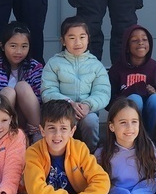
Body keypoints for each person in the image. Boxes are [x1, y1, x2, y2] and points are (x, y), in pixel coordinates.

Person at [40, 16, 111, 151]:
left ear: (88, 38)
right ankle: (61, 154)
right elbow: (47, 91)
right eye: (72, 38)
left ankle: (90, 153)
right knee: (58, 125)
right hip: (61, 111)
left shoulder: (96, 65)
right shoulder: (54, 63)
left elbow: (103, 92)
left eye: (82, 37)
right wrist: (68, 103)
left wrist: (88, 105)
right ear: (63, 41)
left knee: (91, 122)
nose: (78, 42)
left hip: (86, 112)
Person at [0, 21, 43, 139]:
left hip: (27, 119)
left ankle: (38, 135)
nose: (18, 51)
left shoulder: (35, 67)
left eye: (24, 46)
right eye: (13, 46)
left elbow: (40, 96)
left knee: (22, 86)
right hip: (1, 120)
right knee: (8, 92)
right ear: (2, 46)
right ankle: (3, 138)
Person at [108, 23, 156, 135]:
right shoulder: (116, 70)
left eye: (145, 39)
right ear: (126, 47)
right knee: (135, 99)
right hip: (128, 122)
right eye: (134, 40)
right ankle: (136, 140)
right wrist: (130, 91)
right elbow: (109, 102)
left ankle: (155, 139)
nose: (141, 42)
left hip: (152, 117)